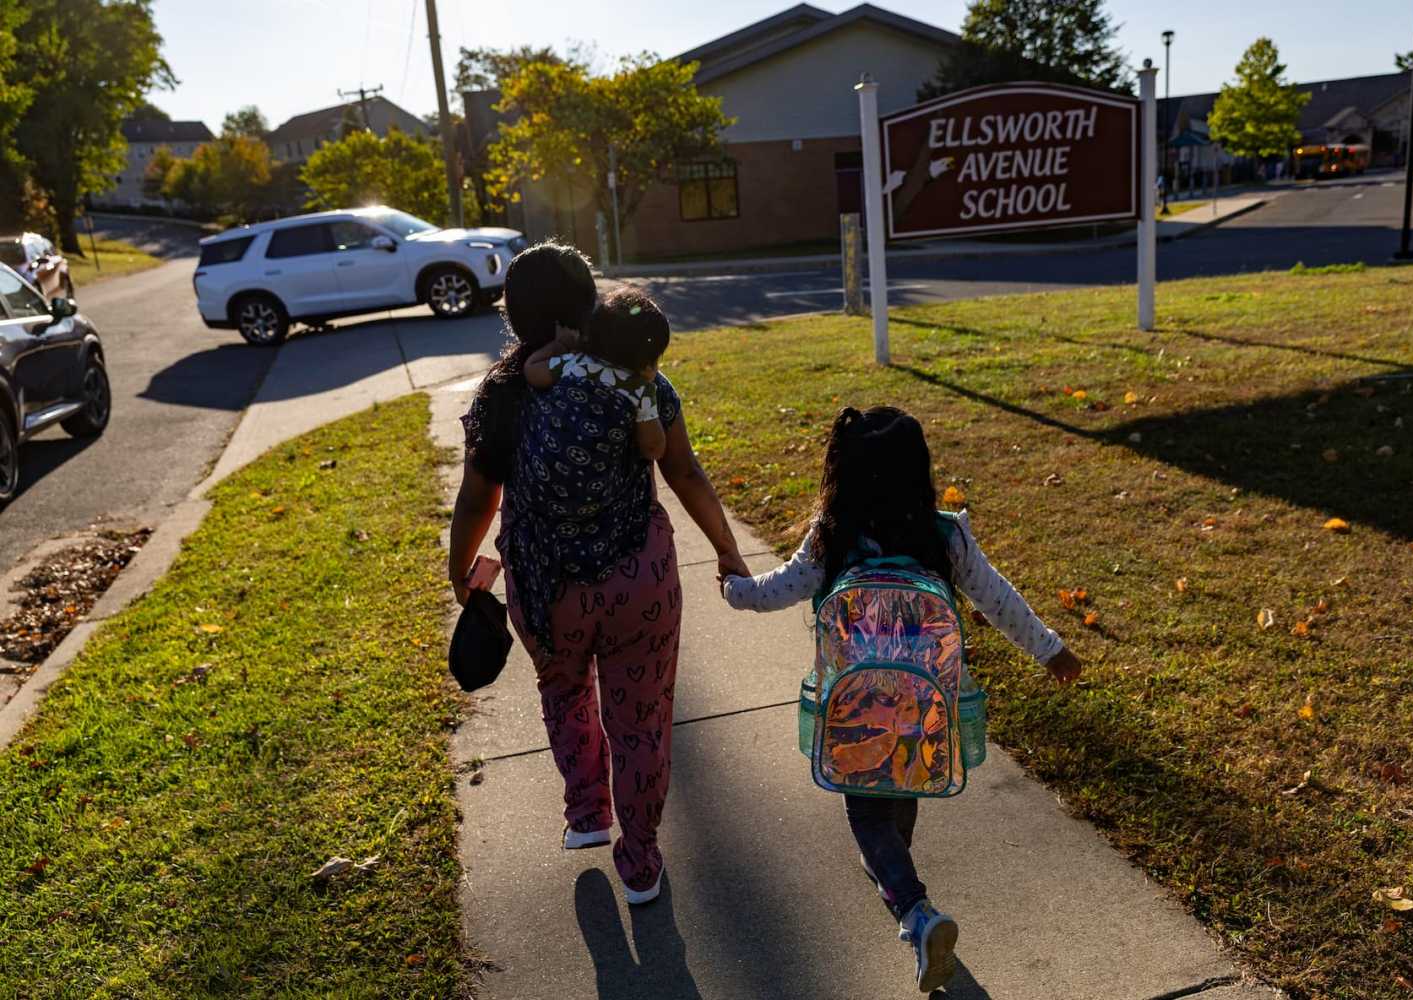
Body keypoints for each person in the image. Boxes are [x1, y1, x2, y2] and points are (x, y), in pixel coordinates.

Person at [719, 406, 1082, 993]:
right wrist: (1051, 650)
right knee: (904, 785)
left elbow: (777, 590)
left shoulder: (832, 533)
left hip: (856, 711)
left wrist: (733, 588)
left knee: (865, 810)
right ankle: (893, 866)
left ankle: (915, 912)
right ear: (919, 468)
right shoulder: (944, 535)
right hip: (926, 709)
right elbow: (999, 601)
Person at [450, 240, 749, 905]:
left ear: (516, 314)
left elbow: (478, 496)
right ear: (588, 304)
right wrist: (726, 548)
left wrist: (459, 567)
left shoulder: (502, 395)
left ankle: (587, 813)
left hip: (544, 586)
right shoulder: (640, 380)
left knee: (564, 692)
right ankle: (640, 861)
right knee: (640, 718)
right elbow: (683, 471)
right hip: (637, 579)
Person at [524, 286, 670, 461]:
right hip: (595, 484)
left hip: (546, 468)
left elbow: (531, 370)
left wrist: (560, 345)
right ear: (647, 365)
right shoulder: (640, 391)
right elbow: (653, 449)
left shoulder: (575, 363)